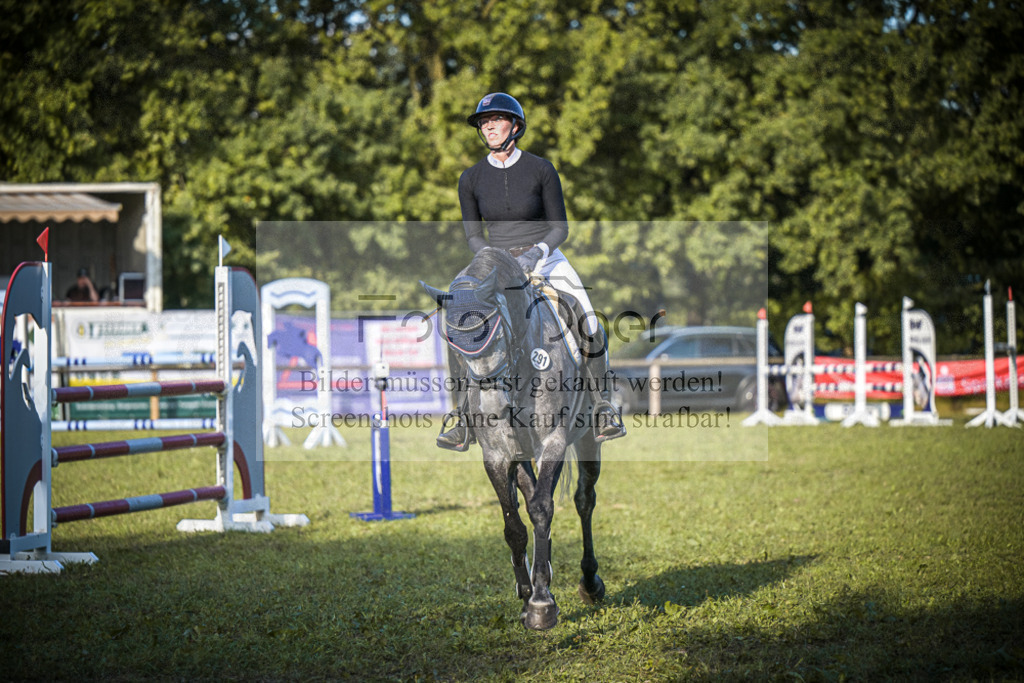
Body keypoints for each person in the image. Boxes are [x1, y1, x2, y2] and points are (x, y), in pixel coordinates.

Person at [436, 92, 625, 450]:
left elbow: (560, 228)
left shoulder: (541, 169)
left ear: (516, 126)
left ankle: (603, 407)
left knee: (589, 319)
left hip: (546, 258)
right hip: (496, 263)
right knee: (459, 319)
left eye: (495, 120)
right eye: (483, 122)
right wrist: (496, 261)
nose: (488, 126)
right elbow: (473, 236)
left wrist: (537, 253)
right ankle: (460, 417)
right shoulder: (470, 178)